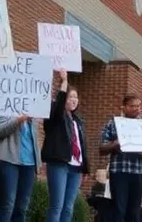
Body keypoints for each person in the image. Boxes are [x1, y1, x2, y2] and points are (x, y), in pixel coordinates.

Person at [43, 70, 89, 222]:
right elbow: (57, 107)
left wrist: (85, 168)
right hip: (59, 164)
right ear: (63, 99)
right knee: (57, 205)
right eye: (70, 97)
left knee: (68, 207)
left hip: (75, 167)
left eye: (76, 97)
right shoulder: (54, 114)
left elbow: (82, 146)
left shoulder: (77, 120)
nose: (74, 100)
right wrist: (64, 82)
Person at [99, 93, 142, 222]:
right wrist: (115, 143)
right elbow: (101, 148)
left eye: (138, 106)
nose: (136, 108)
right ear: (124, 107)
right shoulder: (113, 123)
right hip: (119, 172)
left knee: (134, 211)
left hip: (137, 172)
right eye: (132, 106)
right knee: (119, 209)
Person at [0, 104, 39, 222]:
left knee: (22, 208)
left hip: (29, 163)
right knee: (7, 206)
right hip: (8, 160)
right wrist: (19, 120)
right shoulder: (5, 103)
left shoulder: (32, 109)